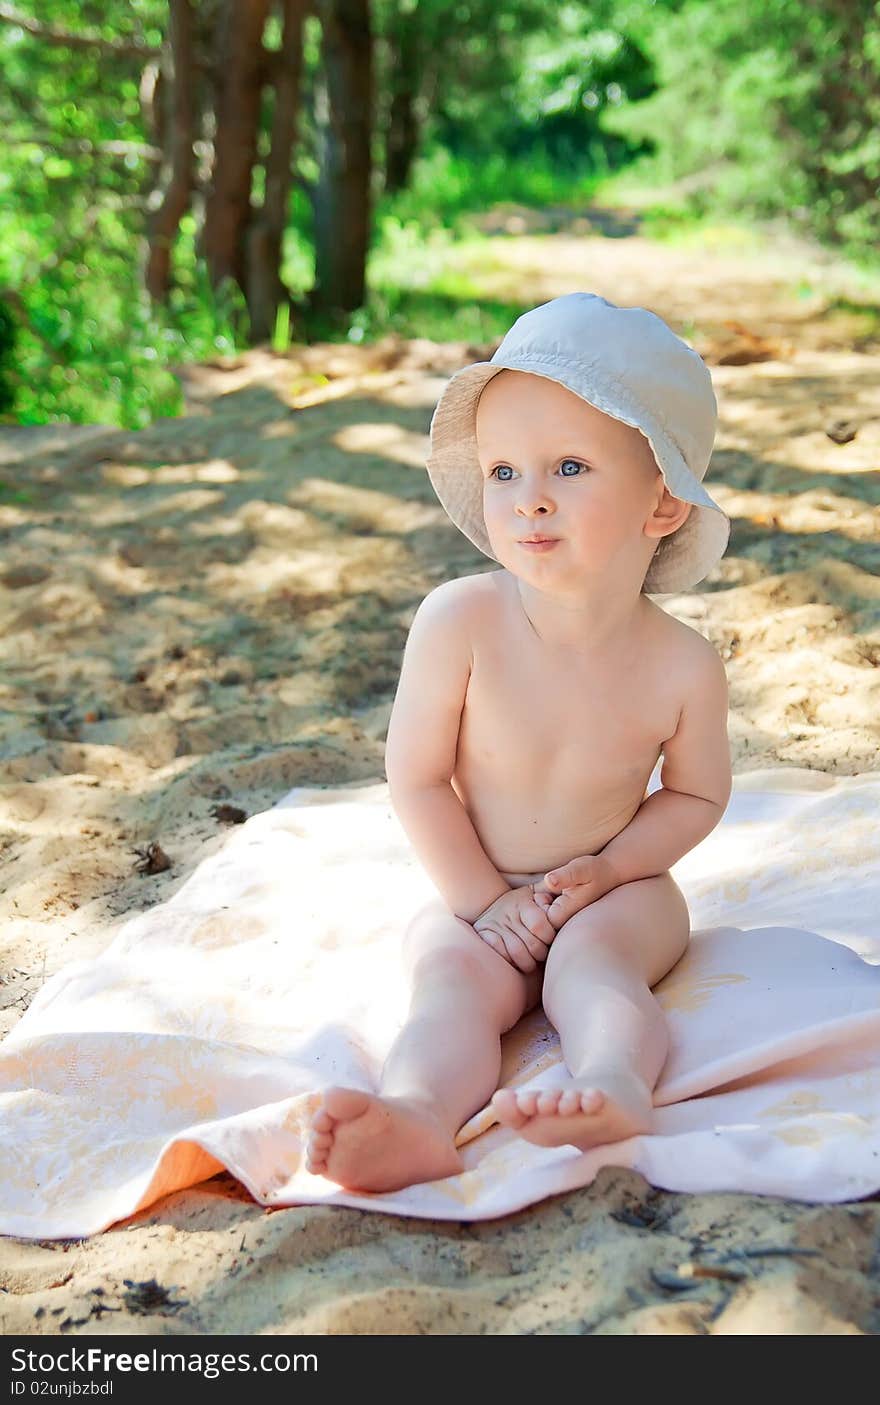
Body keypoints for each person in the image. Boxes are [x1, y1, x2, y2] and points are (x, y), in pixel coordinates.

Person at [305, 292, 733, 1193]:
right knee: (452, 985)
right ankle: (420, 1114)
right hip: (481, 885)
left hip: (612, 887)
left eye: (569, 466)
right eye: (502, 472)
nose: (528, 499)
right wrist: (483, 900)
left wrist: (614, 869)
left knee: (599, 969)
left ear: (662, 502)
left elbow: (695, 795)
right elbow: (417, 779)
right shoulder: (460, 620)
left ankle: (613, 1080)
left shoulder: (684, 665)